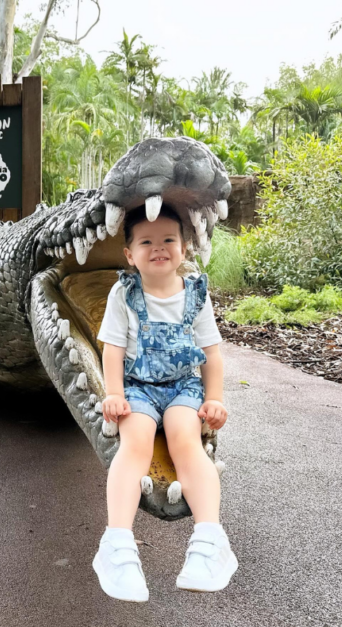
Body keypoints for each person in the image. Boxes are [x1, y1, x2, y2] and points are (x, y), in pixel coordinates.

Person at [92, 206, 236, 602]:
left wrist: (215, 398)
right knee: (134, 442)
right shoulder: (124, 292)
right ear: (129, 254)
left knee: (184, 440)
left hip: (181, 387)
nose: (159, 248)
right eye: (146, 242)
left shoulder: (196, 294)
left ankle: (211, 539)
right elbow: (114, 350)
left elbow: (212, 353)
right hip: (138, 387)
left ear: (185, 248)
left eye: (169, 239)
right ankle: (117, 544)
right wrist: (115, 393)